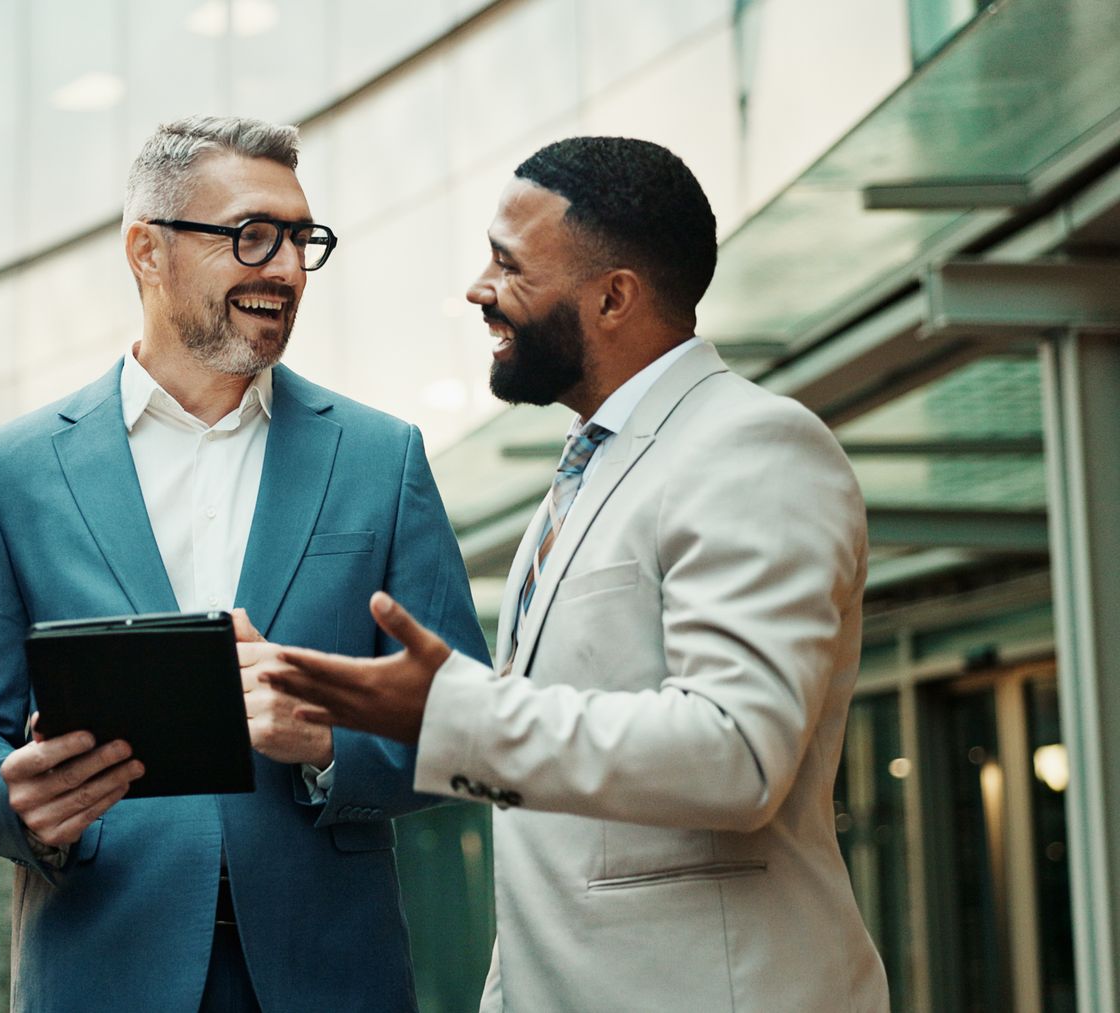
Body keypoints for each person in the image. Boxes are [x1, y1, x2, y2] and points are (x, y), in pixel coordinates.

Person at [264, 136, 889, 1011]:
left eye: (509, 265)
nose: (479, 290)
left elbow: (737, 753)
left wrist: (450, 712)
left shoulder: (751, 447)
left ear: (613, 296)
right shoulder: (589, 467)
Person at [0, 115, 487, 1013]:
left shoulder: (383, 456)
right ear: (147, 251)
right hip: (104, 964)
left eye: (303, 240)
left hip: (332, 973)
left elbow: (471, 718)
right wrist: (14, 798)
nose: (289, 269)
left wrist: (332, 743)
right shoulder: (12, 470)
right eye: (254, 236)